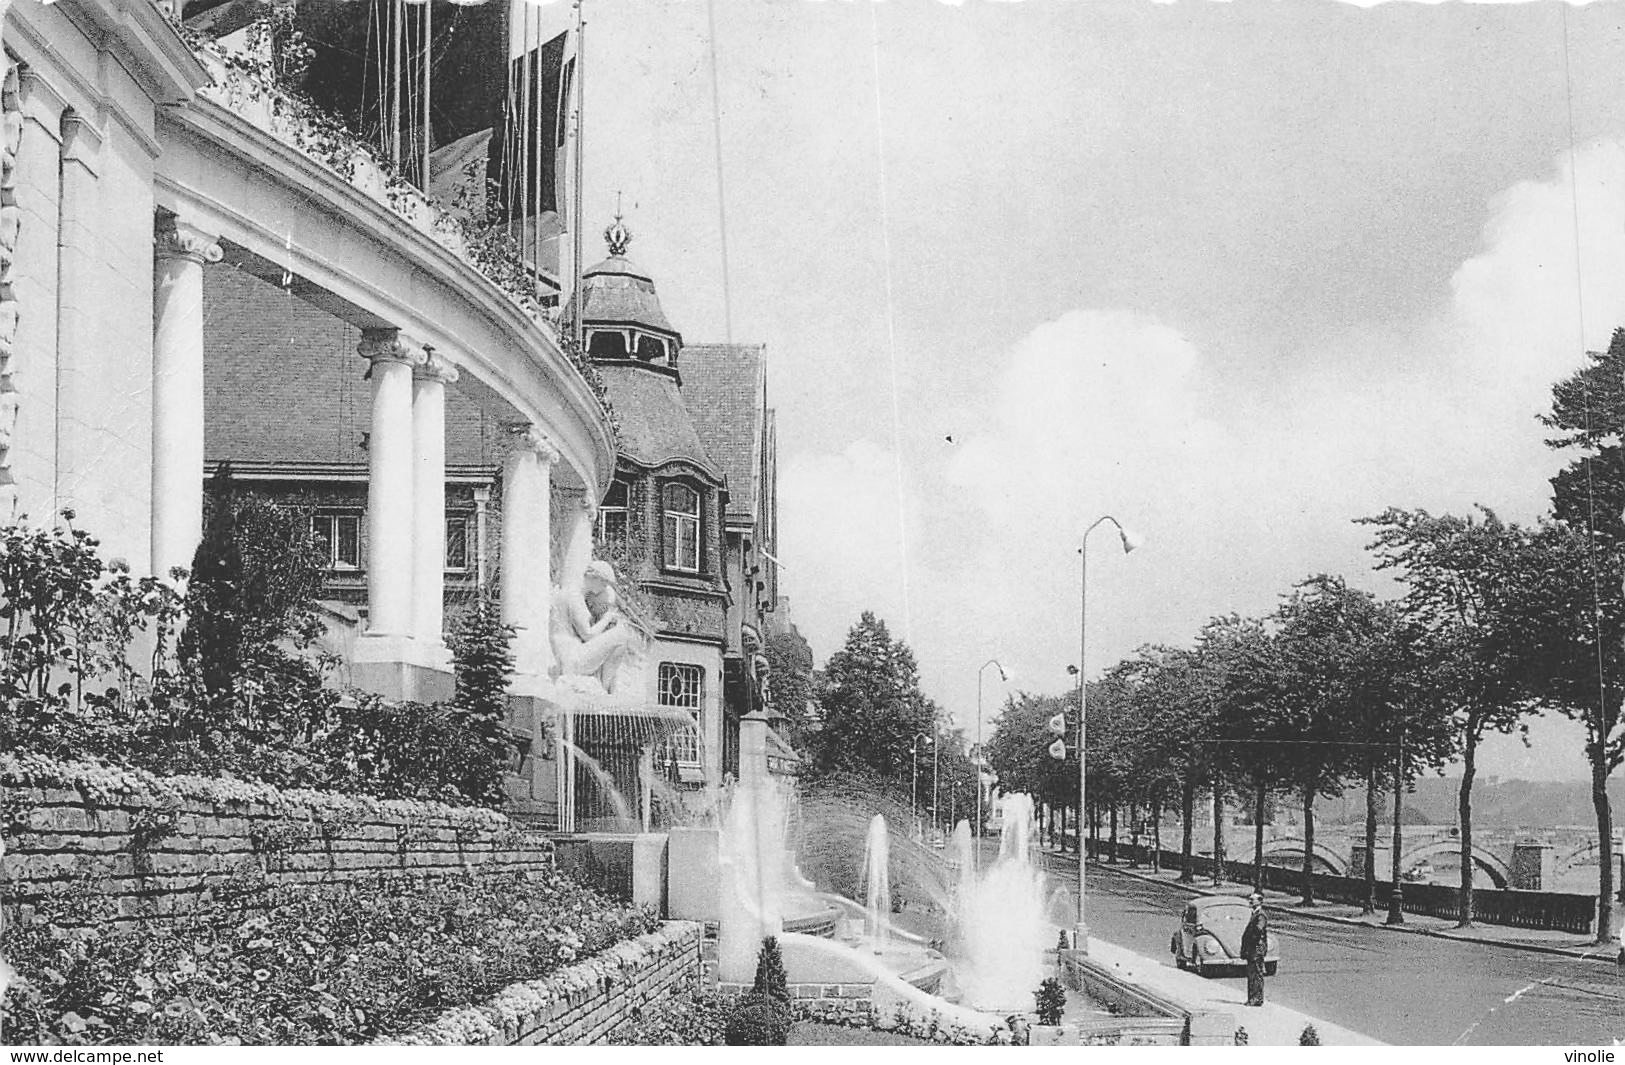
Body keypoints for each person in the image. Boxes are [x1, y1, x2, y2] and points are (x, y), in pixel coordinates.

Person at [1241, 892, 1269, 1006]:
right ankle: (1252, 998)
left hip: (1256, 948)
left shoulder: (1261, 915)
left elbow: (1258, 930)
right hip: (1253, 948)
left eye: (1253, 900)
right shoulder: (1255, 913)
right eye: (1250, 899)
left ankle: (1256, 999)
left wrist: (1251, 940)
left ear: (1260, 901)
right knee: (1252, 973)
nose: (1250, 901)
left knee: (1256, 974)